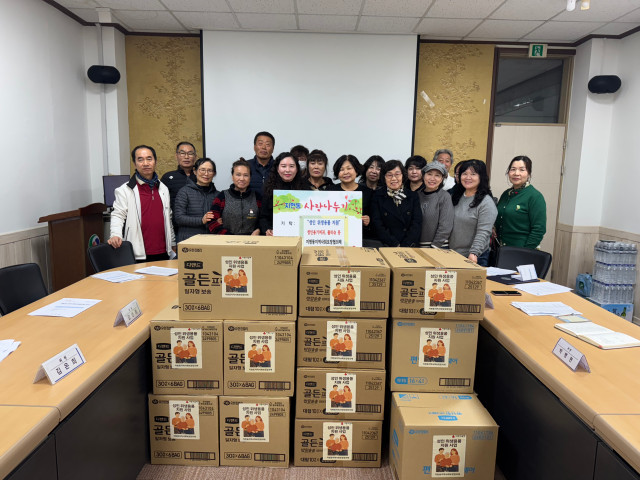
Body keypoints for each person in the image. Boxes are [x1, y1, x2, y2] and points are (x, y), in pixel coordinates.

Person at [108, 145, 175, 261]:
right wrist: (115, 234)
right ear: (135, 164)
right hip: (137, 253)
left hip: (164, 251)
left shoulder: (163, 188)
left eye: (149, 159)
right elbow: (118, 215)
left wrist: (172, 242)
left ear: (155, 161)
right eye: (140, 160)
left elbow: (168, 217)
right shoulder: (125, 190)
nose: (145, 163)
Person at [449, 160, 497, 266]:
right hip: (453, 253)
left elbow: (483, 232)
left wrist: (474, 253)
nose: (468, 177)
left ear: (481, 177)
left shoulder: (486, 202)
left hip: (474, 257)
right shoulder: (456, 196)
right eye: (464, 173)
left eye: (473, 174)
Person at [494, 155, 547, 249]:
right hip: (501, 249)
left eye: (522, 170)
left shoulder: (535, 196)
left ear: (529, 173)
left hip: (521, 250)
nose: (516, 173)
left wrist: (525, 252)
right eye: (513, 169)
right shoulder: (506, 194)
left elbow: (539, 230)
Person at [370, 160, 422, 247]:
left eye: (397, 174)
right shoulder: (377, 196)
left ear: (403, 175)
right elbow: (377, 224)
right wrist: (394, 244)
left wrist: (406, 244)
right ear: (384, 177)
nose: (393, 178)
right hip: (386, 245)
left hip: (409, 246)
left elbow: (417, 223)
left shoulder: (412, 196)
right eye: (389, 175)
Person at [329, 154, 375, 245]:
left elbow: (375, 219)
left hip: (361, 238)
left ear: (356, 170)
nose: (345, 172)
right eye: (341, 169)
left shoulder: (368, 193)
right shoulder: (330, 191)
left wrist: (369, 221)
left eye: (349, 168)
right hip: (334, 237)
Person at [259, 152, 308, 235]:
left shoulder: (305, 189)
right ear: (277, 169)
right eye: (283, 166)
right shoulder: (269, 189)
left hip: (299, 235)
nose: (287, 170)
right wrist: (267, 229)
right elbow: (263, 217)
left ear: (297, 169)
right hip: (275, 236)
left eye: (291, 166)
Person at [209, 158, 261, 235]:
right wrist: (228, 235)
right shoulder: (222, 196)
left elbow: (263, 220)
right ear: (232, 177)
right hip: (227, 239)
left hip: (252, 240)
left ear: (250, 177)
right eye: (238, 175)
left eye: (246, 175)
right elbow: (211, 222)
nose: (242, 179)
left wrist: (258, 230)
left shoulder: (257, 197)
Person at [173, 157, 218, 243]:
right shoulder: (184, 192)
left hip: (211, 241)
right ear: (195, 171)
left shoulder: (217, 195)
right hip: (189, 241)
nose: (206, 174)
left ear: (214, 174)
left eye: (210, 170)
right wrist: (201, 220)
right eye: (202, 170)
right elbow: (179, 218)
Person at [418, 161, 454, 248]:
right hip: (417, 246)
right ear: (423, 176)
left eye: (437, 175)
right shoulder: (416, 195)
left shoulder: (445, 196)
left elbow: (445, 226)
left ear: (442, 179)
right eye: (429, 174)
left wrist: (435, 246)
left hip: (438, 247)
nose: (432, 178)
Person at [161, 141, 197, 224]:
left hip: (198, 222)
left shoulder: (201, 176)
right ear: (176, 156)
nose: (186, 157)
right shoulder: (167, 177)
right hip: (175, 223)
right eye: (182, 153)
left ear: (195, 157)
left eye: (190, 153)